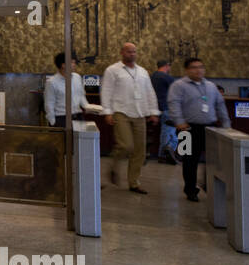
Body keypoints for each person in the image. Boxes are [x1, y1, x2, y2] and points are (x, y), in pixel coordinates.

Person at [166, 57, 231, 202]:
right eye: (194, 67)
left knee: (214, 159)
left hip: (210, 128)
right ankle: (190, 190)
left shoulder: (211, 86)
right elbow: (173, 104)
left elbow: (220, 105)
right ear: (187, 70)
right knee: (189, 160)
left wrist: (226, 124)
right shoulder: (178, 85)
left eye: (201, 67)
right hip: (186, 129)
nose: (198, 70)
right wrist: (179, 122)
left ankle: (208, 184)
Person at [99, 42, 159, 194]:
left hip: (140, 113)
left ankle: (134, 182)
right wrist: (107, 112)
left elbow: (149, 92)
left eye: (134, 51)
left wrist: (153, 111)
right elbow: (106, 91)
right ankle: (113, 167)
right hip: (121, 111)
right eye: (128, 51)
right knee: (126, 145)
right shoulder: (113, 70)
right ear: (122, 53)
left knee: (140, 151)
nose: (132, 54)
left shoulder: (143, 71)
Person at [44, 52, 87, 127]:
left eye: (74, 62)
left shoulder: (77, 77)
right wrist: (53, 122)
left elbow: (81, 95)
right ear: (63, 65)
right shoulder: (51, 82)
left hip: (78, 117)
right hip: (61, 119)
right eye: (72, 62)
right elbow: (49, 104)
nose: (74, 64)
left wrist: (88, 106)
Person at [150, 60, 177, 163]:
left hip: (156, 108)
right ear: (167, 65)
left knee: (166, 131)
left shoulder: (152, 77)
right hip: (167, 107)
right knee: (169, 131)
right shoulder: (167, 77)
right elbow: (176, 92)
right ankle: (165, 153)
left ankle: (163, 154)